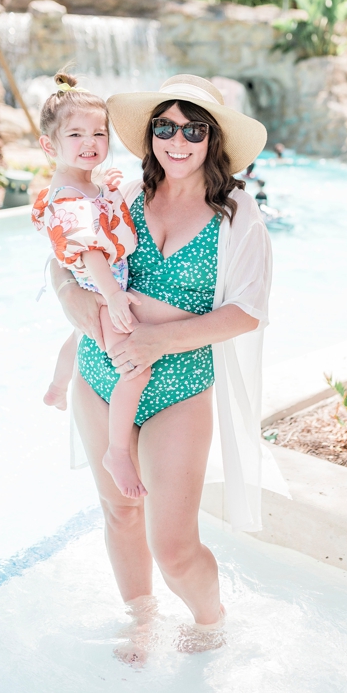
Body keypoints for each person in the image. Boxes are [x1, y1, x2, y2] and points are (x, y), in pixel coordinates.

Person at [49, 75, 272, 659]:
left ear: (212, 139)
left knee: (172, 545)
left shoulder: (237, 215)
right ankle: (141, 621)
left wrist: (154, 344)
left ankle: (209, 621)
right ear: (151, 136)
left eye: (192, 129)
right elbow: (63, 261)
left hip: (178, 389)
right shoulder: (117, 198)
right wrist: (73, 302)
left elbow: (248, 312)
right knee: (121, 513)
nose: (178, 140)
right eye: (165, 127)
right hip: (100, 379)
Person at [33, 71, 205, 500]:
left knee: (78, 336)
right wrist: (112, 297)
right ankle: (116, 451)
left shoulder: (85, 185)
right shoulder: (71, 197)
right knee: (135, 365)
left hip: (97, 285)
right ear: (49, 145)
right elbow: (90, 251)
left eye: (98, 132)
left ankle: (57, 386)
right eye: (75, 134)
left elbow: (96, 220)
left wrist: (107, 190)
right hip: (100, 286)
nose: (90, 141)